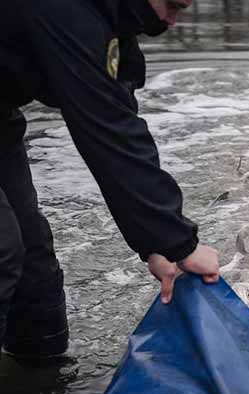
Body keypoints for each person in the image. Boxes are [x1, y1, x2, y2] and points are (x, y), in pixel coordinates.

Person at [0, 0, 220, 359]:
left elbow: (119, 116)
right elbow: (106, 129)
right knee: (2, 248)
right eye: (173, 7)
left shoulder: (108, 16)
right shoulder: (65, 10)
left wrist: (158, 246)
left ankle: (41, 377)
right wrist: (180, 243)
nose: (174, 23)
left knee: (32, 266)